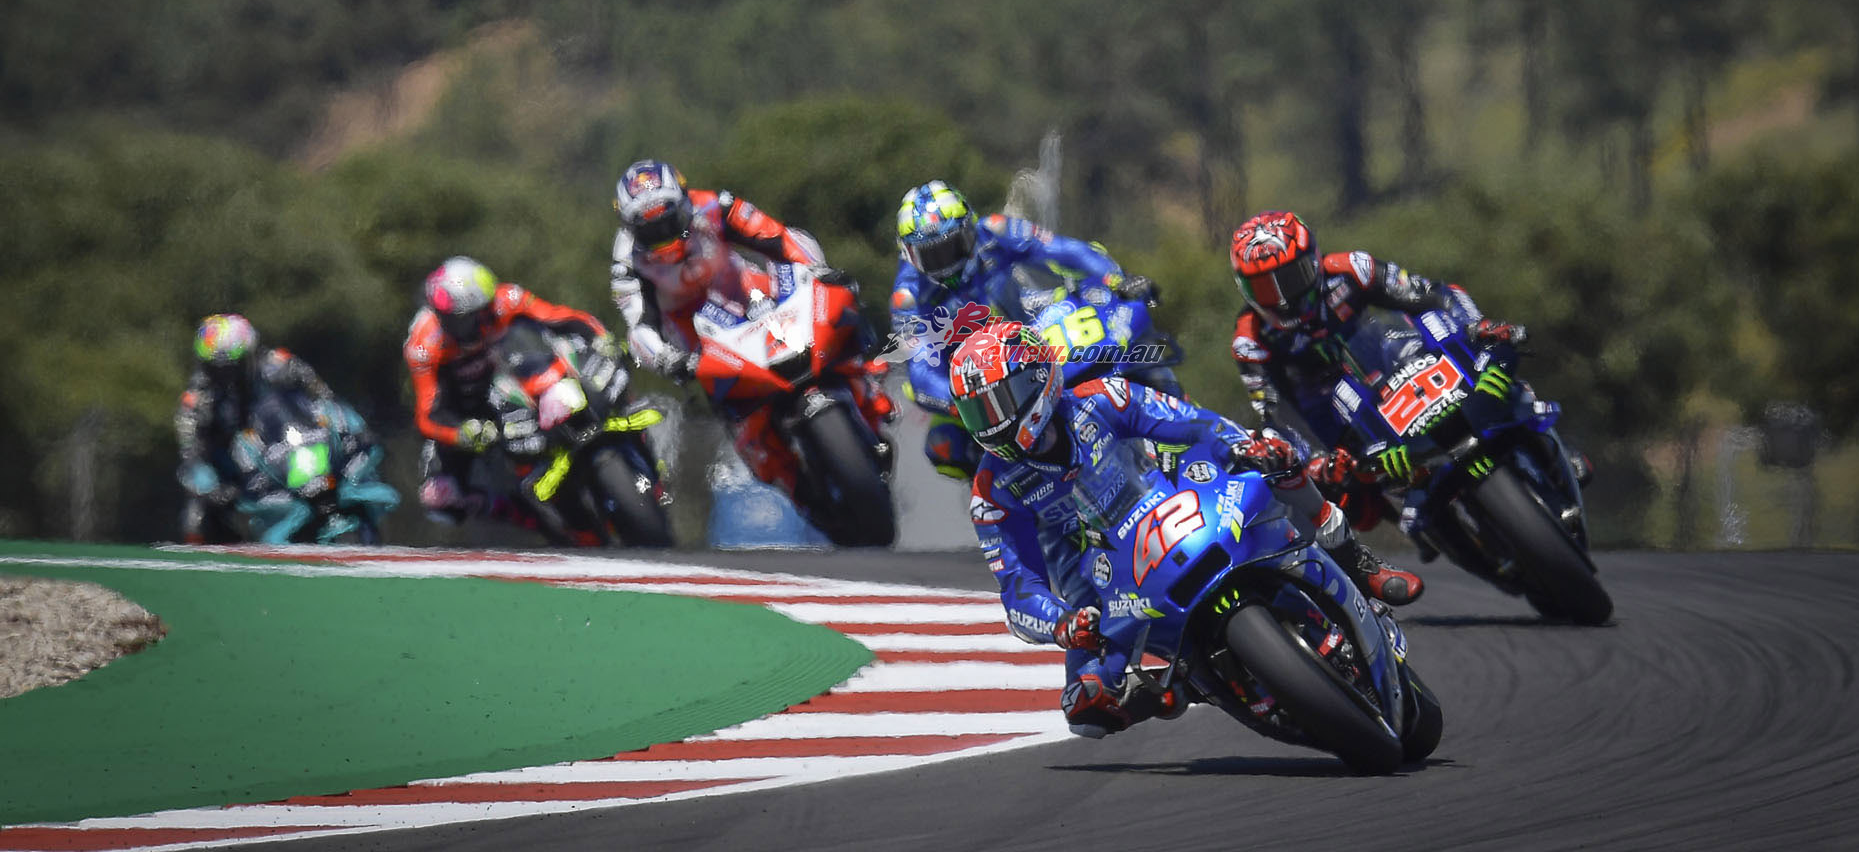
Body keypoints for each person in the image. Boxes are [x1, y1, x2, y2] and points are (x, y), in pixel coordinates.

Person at [951, 321, 1423, 739]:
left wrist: (1242, 445)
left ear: (1037, 379)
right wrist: (1062, 623)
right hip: (1096, 581)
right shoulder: (992, 491)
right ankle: (1176, 687)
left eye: (998, 403)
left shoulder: (1104, 398)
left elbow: (1193, 423)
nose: (991, 423)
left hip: (1174, 500)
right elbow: (1018, 591)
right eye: (977, 413)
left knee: (1276, 458)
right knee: (1085, 711)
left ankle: (1355, 559)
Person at [1227, 210, 1537, 543]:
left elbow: (1431, 294)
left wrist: (1476, 325)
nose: (1282, 298)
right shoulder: (1249, 341)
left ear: (1313, 261)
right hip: (1328, 408)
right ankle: (1404, 521)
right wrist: (1317, 460)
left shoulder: (1352, 268)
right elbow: (1276, 413)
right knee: (1336, 491)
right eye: (1264, 288)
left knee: (1476, 347)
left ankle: (1526, 417)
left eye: (1291, 278)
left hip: (1389, 356)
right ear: (1244, 290)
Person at [608, 159, 893, 485]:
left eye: (670, 222)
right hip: (693, 326)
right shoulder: (626, 262)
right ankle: (778, 468)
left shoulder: (716, 205)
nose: (666, 237)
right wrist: (666, 358)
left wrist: (816, 269)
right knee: (725, 398)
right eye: (651, 232)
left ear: (684, 203)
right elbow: (639, 326)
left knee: (829, 310)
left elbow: (778, 235)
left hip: (744, 287)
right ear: (631, 229)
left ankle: (865, 384)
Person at [891, 179, 1157, 482]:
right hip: (980, 382)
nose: (946, 264)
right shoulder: (908, 297)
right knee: (946, 447)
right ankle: (1016, 497)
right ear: (908, 254)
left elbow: (1063, 249)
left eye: (953, 247)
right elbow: (921, 372)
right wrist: (962, 402)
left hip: (1036, 332)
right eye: (932, 256)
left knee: (1125, 339)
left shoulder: (995, 230)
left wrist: (1115, 279)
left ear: (970, 228)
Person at [403, 255, 616, 524]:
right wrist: (460, 433)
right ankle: (512, 512)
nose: (451, 327)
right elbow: (426, 415)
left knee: (603, 375)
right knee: (438, 497)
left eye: (460, 319)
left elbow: (561, 317)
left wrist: (600, 337)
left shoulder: (508, 299)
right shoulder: (423, 345)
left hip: (523, 387)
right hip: (467, 412)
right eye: (444, 317)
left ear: (484, 307)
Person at [173, 313, 340, 544]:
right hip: (238, 477)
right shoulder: (197, 399)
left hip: (291, 450)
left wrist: (336, 425)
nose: (225, 376)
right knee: (196, 517)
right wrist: (212, 487)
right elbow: (190, 454)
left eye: (232, 367)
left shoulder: (280, 365)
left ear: (250, 355)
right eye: (215, 368)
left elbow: (325, 397)